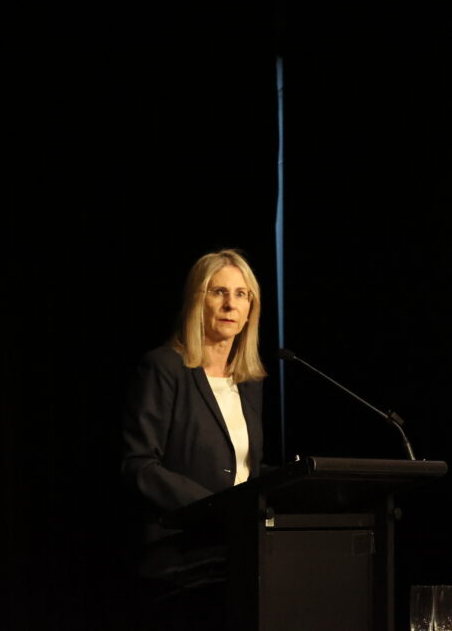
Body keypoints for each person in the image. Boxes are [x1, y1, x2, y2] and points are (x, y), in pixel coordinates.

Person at [121, 249, 267, 628]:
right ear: (196, 300)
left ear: (250, 310)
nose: (230, 304)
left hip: (238, 557)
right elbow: (139, 465)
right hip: (180, 562)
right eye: (218, 292)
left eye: (241, 294)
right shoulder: (165, 367)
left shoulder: (249, 382)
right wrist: (217, 509)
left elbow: (243, 469)